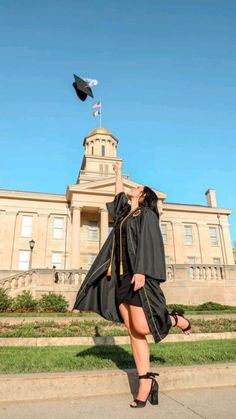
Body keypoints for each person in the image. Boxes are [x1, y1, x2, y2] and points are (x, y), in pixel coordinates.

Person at [73, 161, 191, 408]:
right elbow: (117, 198)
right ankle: (145, 381)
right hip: (121, 276)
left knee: (141, 325)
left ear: (144, 195)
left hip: (138, 275)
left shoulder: (146, 215)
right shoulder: (126, 214)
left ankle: (175, 320)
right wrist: (117, 174)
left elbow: (150, 242)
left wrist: (142, 271)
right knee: (133, 331)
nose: (132, 187)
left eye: (137, 187)